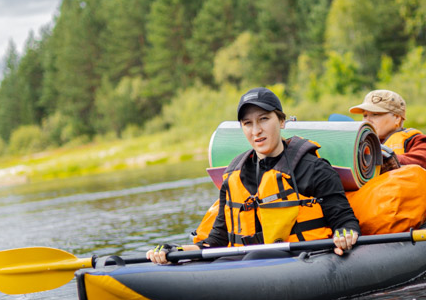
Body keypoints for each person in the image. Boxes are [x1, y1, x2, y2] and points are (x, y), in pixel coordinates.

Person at [148, 87, 360, 264]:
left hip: (303, 259)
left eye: (264, 119)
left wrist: (345, 235)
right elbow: (216, 242)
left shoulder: (314, 168)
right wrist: (175, 251)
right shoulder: (234, 175)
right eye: (248, 123)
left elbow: (344, 222)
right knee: (227, 261)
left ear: (282, 121)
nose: (256, 130)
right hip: (249, 263)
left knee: (255, 256)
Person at [348, 89, 426, 181]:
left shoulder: (418, 140)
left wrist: (386, 159)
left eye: (375, 114)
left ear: (397, 118)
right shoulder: (360, 143)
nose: (367, 121)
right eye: (365, 115)